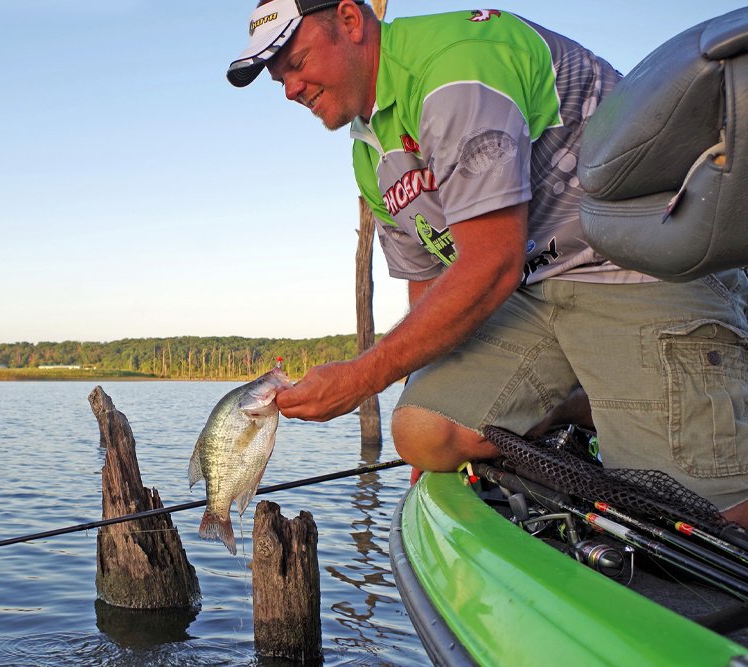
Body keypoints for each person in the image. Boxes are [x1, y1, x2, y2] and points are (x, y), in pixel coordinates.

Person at [227, 0, 748, 527]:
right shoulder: (369, 154)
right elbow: (430, 282)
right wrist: (418, 425)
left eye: (296, 62)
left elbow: (491, 262)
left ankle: (635, 399)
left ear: (350, 20)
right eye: (279, 79)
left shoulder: (456, 69)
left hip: (631, 264)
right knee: (422, 431)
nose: (290, 89)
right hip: (529, 293)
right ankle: (580, 398)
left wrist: (361, 377)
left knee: (699, 510)